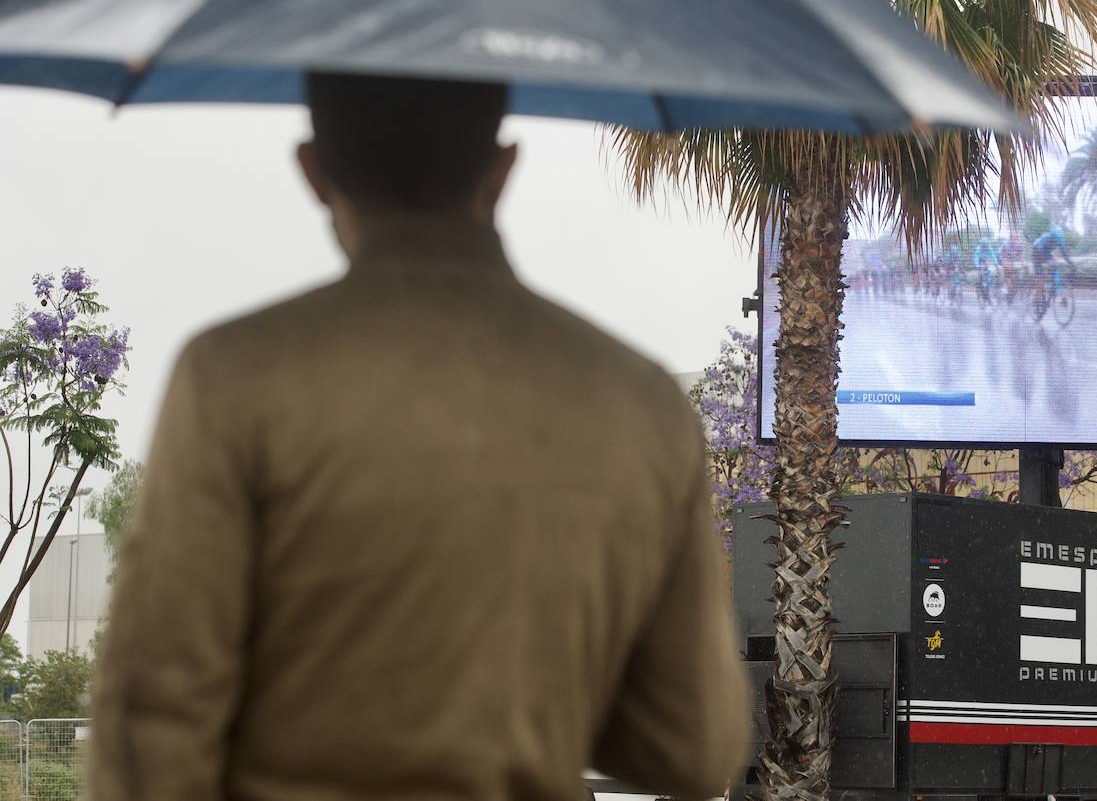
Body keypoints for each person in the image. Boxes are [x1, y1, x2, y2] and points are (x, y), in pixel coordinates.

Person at [85, 73, 751, 801]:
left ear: (313, 169)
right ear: (503, 170)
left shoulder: (235, 375)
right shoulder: (640, 400)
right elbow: (692, 749)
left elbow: (152, 723)